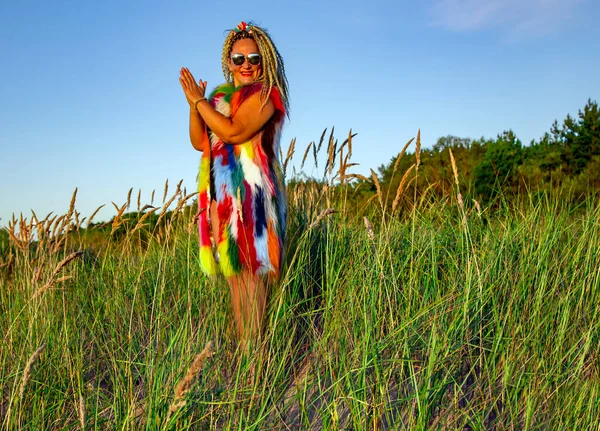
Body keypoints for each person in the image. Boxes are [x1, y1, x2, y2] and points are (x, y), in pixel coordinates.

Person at [179, 21, 289, 351]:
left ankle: (256, 373)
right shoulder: (221, 97)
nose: (246, 65)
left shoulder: (267, 95)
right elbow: (201, 141)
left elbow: (234, 132)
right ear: (228, 62)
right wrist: (194, 105)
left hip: (254, 205)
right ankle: (247, 368)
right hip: (226, 204)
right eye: (238, 59)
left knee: (253, 290)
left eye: (254, 58)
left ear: (264, 61)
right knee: (237, 289)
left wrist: (201, 103)